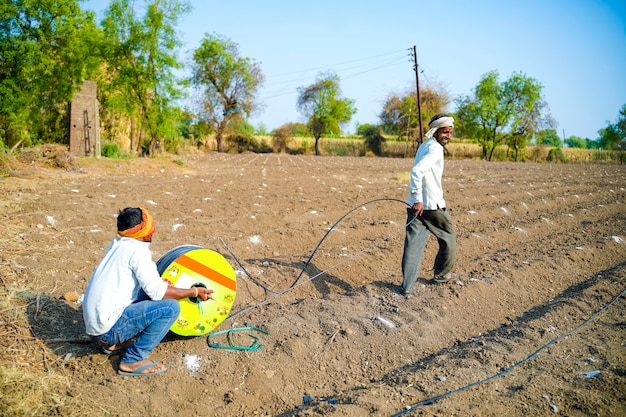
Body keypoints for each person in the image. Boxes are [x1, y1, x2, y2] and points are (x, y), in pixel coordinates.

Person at [82, 207, 214, 376]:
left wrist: (161, 286)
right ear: (143, 231)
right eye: (151, 227)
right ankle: (132, 360)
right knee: (170, 308)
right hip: (106, 330)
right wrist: (194, 292)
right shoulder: (138, 252)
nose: (154, 230)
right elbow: (159, 293)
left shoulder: (118, 244)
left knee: (154, 292)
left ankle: (112, 344)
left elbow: (149, 287)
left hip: (96, 326)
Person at [401, 114, 459, 296]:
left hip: (415, 207)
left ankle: (407, 288)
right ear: (436, 131)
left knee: (413, 245)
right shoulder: (435, 149)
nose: (447, 136)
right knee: (448, 237)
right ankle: (441, 275)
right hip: (431, 206)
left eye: (449, 133)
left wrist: (415, 200)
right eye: (445, 132)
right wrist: (418, 198)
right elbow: (417, 171)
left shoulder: (425, 145)